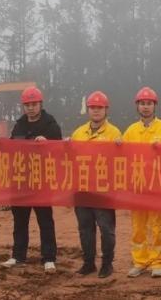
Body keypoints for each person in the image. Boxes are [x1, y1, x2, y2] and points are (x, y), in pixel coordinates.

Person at [0, 86, 62, 274]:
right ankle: (18, 255)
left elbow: (60, 150)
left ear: (40, 104)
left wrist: (48, 143)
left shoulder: (50, 124)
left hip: (41, 181)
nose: (31, 108)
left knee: (45, 220)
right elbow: (10, 148)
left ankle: (49, 258)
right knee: (19, 221)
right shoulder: (19, 125)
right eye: (27, 105)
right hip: (21, 180)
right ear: (23, 106)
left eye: (34, 104)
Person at [123, 86, 161, 278]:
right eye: (142, 104)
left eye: (149, 104)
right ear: (137, 106)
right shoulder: (130, 131)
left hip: (157, 185)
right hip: (137, 186)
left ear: (155, 106)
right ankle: (140, 261)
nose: (146, 107)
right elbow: (122, 158)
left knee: (157, 225)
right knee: (138, 226)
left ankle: (157, 262)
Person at [69, 91, 121, 278]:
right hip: (82, 189)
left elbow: (120, 160)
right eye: (93, 108)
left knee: (106, 229)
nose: (96, 111)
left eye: (100, 108)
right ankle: (88, 263)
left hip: (103, 190)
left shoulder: (114, 133)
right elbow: (69, 159)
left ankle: (107, 264)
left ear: (106, 110)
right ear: (88, 110)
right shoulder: (78, 133)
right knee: (85, 228)